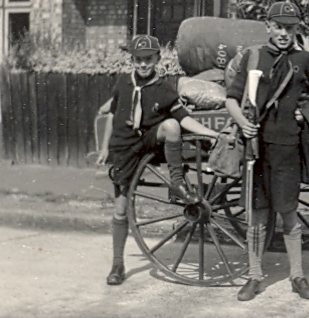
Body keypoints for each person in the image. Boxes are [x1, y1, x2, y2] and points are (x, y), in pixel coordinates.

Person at [95, 34, 223, 286]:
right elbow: (110, 114)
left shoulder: (164, 88)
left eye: (148, 59)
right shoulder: (123, 83)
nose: (143, 65)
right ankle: (117, 264)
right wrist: (103, 148)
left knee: (172, 125)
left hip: (149, 139)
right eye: (138, 60)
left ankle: (177, 182)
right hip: (124, 147)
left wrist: (209, 132)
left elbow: (183, 118)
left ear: (157, 59)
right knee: (120, 210)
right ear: (132, 60)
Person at [227, 1, 309, 302]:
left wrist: (305, 112)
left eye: (290, 28)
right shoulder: (253, 55)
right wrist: (243, 123)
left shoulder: (305, 59)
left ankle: (297, 276)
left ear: (297, 29)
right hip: (257, 147)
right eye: (279, 27)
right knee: (257, 214)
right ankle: (255, 276)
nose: (284, 33)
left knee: (289, 212)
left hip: (287, 147)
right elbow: (231, 98)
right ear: (268, 26)